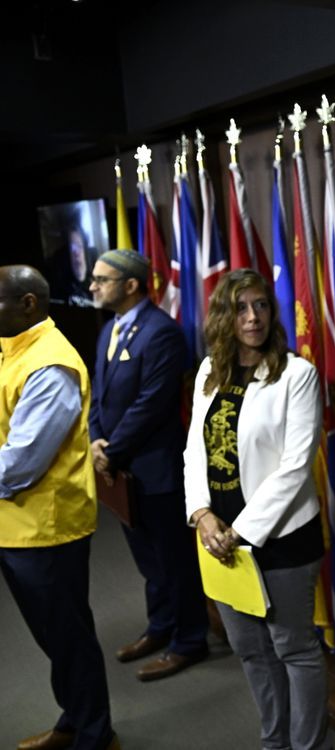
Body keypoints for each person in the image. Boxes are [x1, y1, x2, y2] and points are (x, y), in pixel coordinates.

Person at [183, 269, 331, 750]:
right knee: (250, 651)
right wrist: (203, 516)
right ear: (224, 316)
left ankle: (309, 746)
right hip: (219, 537)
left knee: (294, 649)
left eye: (261, 306)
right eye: (241, 308)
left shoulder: (296, 374)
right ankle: (275, 743)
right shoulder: (209, 371)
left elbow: (295, 466)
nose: (253, 317)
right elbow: (194, 453)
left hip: (281, 536)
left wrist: (239, 531)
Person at [0, 265, 119, 750]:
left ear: (28, 304)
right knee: (55, 640)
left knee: (68, 639)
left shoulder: (50, 364)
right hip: (17, 526)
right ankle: (74, 722)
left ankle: (96, 736)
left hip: (47, 530)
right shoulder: (14, 350)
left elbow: (20, 465)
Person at [88, 249, 209, 681]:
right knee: (147, 561)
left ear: (131, 285)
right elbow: (98, 396)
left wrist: (111, 450)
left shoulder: (162, 333)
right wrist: (94, 440)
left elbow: (152, 405)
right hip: (121, 472)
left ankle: (190, 640)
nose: (93, 286)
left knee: (174, 561)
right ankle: (161, 627)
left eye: (102, 279)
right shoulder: (109, 331)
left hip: (156, 471)